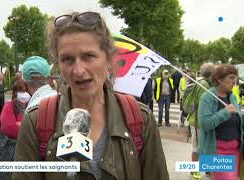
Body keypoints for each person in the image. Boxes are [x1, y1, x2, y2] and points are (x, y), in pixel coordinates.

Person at [13, 11, 169, 180]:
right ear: (58, 64)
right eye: (67, 59)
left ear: (108, 59)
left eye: (88, 56)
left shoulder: (140, 119)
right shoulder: (37, 121)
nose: (78, 71)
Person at [198, 64, 244, 180]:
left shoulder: (231, 96)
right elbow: (204, 124)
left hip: (236, 150)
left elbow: (233, 114)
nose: (234, 82)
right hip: (216, 151)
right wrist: (225, 112)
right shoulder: (207, 97)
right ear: (219, 79)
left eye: (235, 78)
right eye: (231, 78)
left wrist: (243, 117)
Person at [0, 79, 29, 180]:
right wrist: (26, 127)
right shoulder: (9, 105)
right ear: (14, 92)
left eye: (26, 91)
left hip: (23, 150)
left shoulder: (31, 106)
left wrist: (20, 125)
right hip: (8, 149)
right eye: (20, 91)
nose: (23, 94)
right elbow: (8, 128)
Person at [186, 63, 214, 179]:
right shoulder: (204, 85)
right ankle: (194, 172)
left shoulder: (204, 83)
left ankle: (207, 169)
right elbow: (204, 107)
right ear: (210, 74)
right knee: (197, 148)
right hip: (199, 122)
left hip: (198, 120)